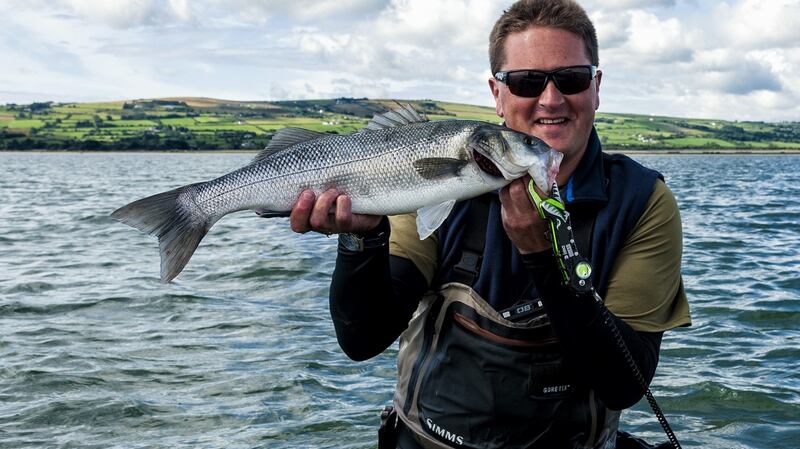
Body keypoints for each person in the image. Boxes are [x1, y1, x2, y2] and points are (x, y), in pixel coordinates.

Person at [288, 0, 691, 447]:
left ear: (596, 87)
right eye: (526, 82)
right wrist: (362, 241)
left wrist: (542, 258)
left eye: (572, 79)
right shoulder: (433, 190)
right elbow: (362, 338)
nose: (551, 99)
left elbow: (624, 384)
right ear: (497, 95)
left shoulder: (644, 202)